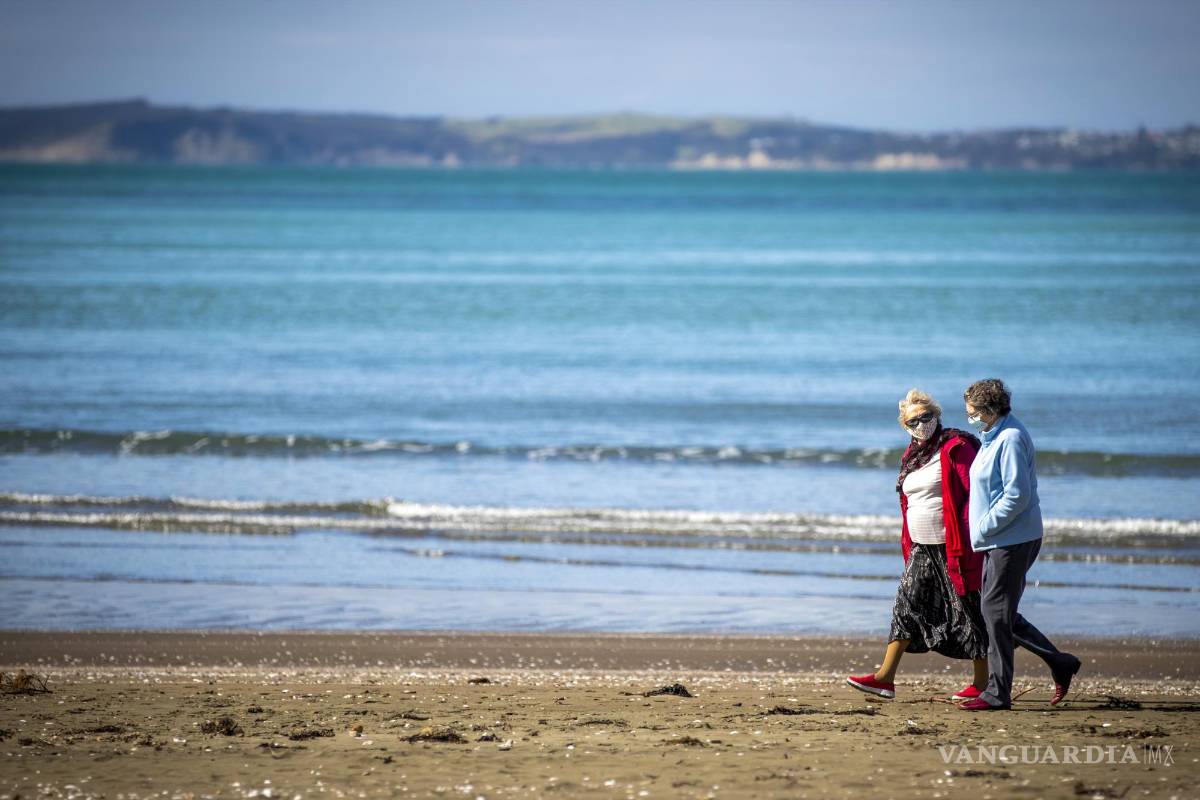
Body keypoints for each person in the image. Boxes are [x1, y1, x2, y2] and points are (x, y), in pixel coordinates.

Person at [847, 389, 989, 701]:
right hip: (921, 547)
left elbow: (974, 494)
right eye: (914, 421)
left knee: (968, 610)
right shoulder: (913, 455)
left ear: (937, 415)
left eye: (927, 417)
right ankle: (885, 678)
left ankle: (983, 683)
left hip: (952, 546)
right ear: (905, 426)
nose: (921, 424)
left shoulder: (956, 447)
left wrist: (973, 537)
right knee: (905, 605)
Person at [958, 378, 1082, 711]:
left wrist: (984, 527)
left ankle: (998, 693)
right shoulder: (993, 435)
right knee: (995, 611)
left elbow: (1017, 494)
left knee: (995, 614)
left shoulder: (1010, 438)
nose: (969, 416)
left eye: (972, 411)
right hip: (999, 539)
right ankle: (1060, 662)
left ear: (989, 409)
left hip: (1012, 538)